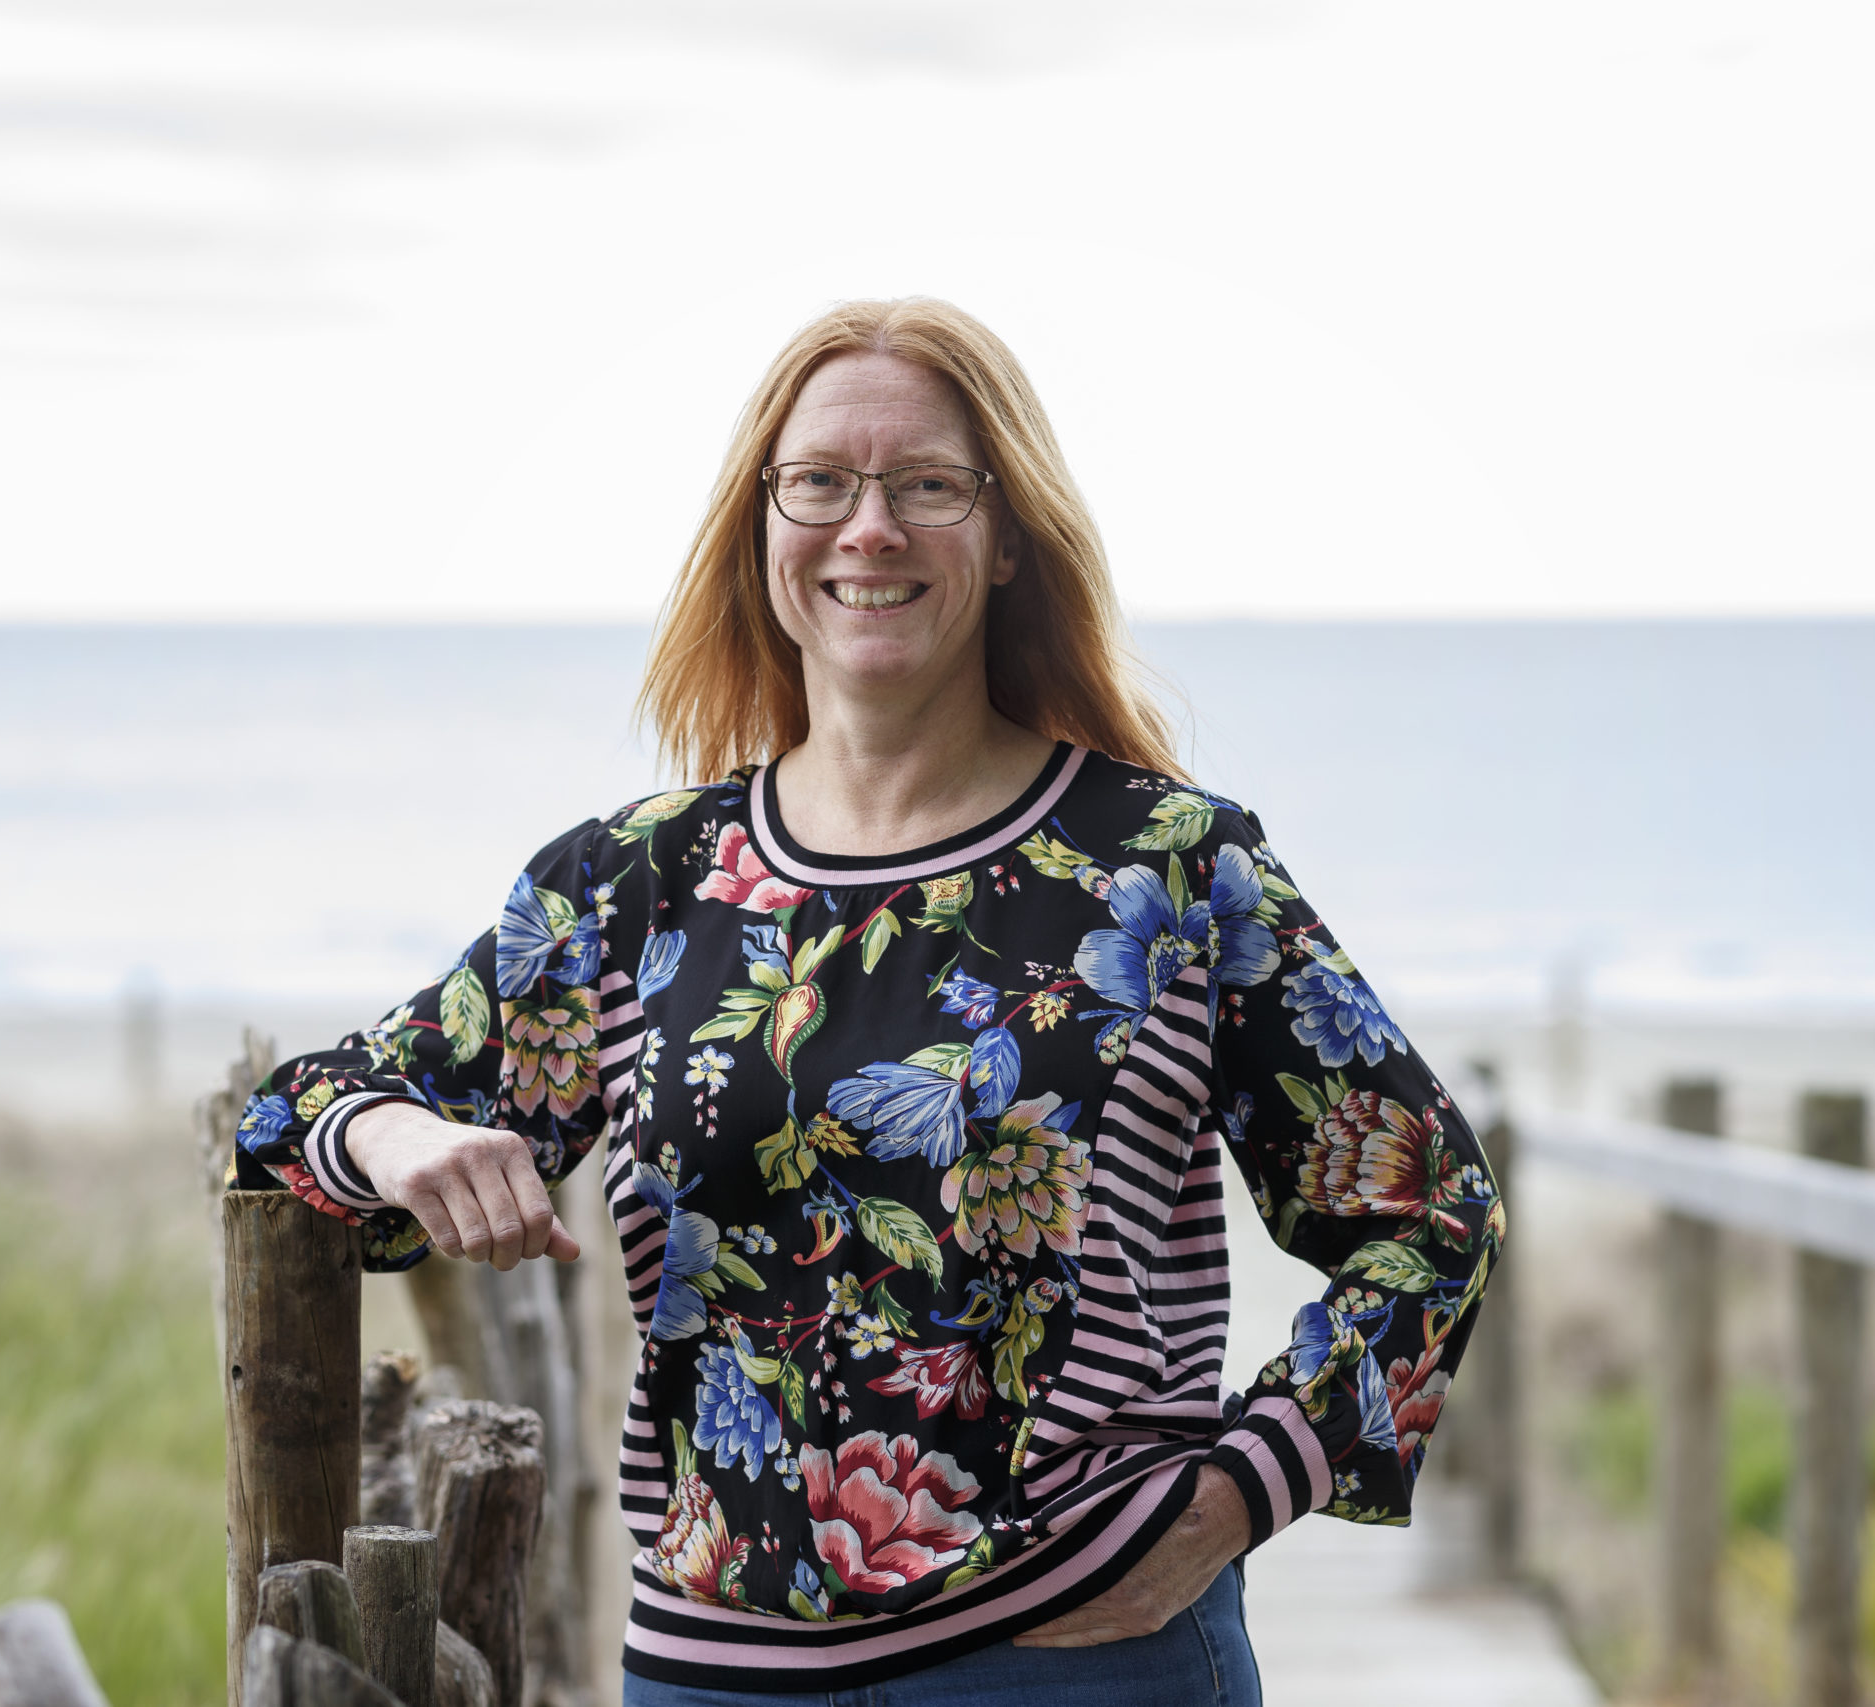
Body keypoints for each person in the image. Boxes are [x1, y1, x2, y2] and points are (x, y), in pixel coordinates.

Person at [231, 298, 1503, 1705]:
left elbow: (1434, 1217)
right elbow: (290, 1120)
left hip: (1081, 1661)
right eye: (819, 482)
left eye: (927, 486)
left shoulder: (1172, 869)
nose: (869, 526)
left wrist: (1234, 1499)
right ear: (761, 528)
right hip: (717, 1679)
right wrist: (404, 1143)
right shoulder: (642, 883)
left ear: (1007, 534)